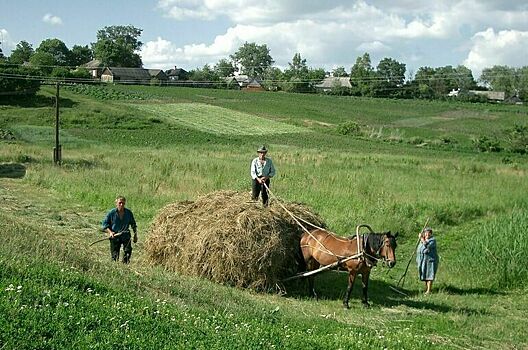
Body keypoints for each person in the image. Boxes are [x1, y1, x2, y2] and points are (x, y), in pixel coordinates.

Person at [102, 195, 138, 264]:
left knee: (128, 251)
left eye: (123, 203)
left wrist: (135, 235)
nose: (121, 205)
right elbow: (104, 224)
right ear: (116, 203)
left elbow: (133, 224)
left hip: (125, 235)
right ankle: (115, 268)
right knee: (115, 255)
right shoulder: (111, 213)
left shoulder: (128, 213)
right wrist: (110, 232)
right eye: (120, 203)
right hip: (115, 236)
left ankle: (125, 266)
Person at [416, 227, 439, 294]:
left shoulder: (432, 240)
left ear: (431, 234)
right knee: (425, 274)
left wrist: (421, 239)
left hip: (430, 261)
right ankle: (427, 289)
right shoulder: (422, 240)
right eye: (426, 233)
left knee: (429, 274)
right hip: (423, 260)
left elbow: (427, 246)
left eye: (429, 233)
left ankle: (429, 290)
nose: (427, 235)